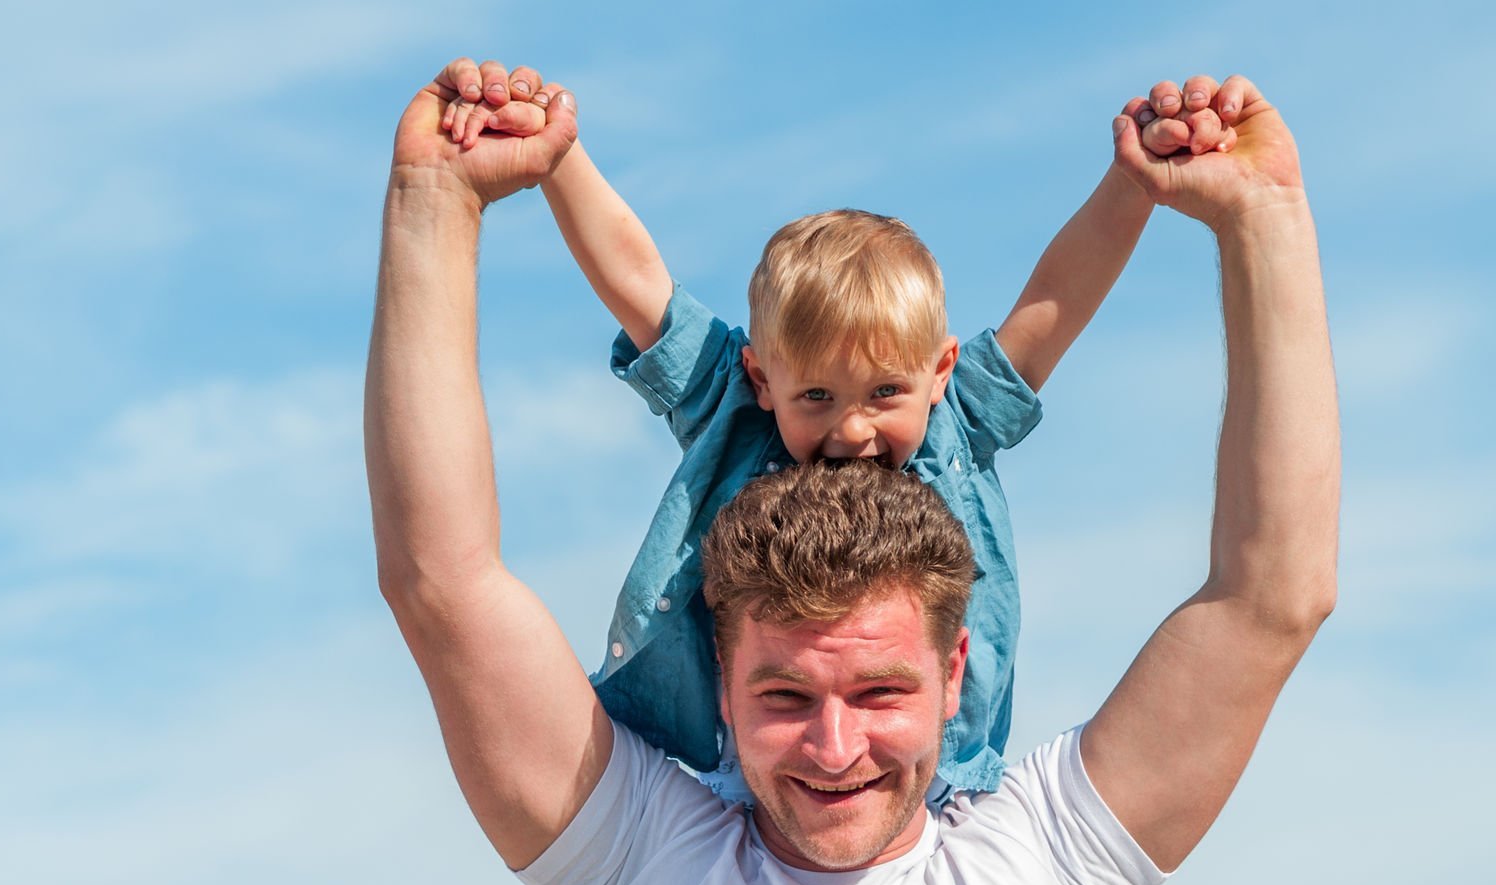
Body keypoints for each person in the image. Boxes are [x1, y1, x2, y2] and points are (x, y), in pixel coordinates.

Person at [365, 59, 1339, 885]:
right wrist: (433, 204)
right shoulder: (634, 869)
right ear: (719, 681)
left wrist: (1264, 221)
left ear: (954, 672)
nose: (833, 744)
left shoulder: (1049, 862)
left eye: (877, 694)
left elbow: (1271, 596)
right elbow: (442, 585)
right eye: (783, 699)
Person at [424, 57, 1191, 803]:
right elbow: (640, 284)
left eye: (884, 392)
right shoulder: (736, 409)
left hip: (936, 777)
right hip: (748, 773)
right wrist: (558, 160)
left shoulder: (957, 418)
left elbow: (1054, 300)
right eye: (817, 395)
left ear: (939, 370)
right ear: (763, 378)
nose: (851, 430)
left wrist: (1133, 183)